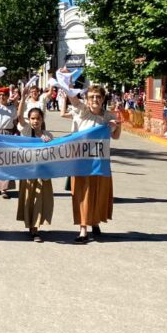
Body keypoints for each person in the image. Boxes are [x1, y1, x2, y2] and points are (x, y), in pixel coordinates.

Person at [62, 84, 121, 242]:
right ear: (87, 99)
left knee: (98, 193)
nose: (95, 99)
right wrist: (67, 84)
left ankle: (95, 222)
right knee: (82, 194)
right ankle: (83, 230)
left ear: (103, 99)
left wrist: (117, 125)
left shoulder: (108, 116)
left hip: (100, 161)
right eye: (91, 96)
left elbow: (116, 136)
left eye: (98, 96)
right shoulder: (82, 111)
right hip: (81, 161)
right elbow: (74, 100)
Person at [16, 107, 54, 242]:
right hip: (28, 173)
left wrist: (48, 143)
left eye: (38, 118)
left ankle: (35, 228)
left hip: (42, 174)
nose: (35, 121)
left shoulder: (48, 135)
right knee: (29, 200)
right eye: (32, 118)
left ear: (42, 120)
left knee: (39, 200)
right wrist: (23, 98)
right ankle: (30, 224)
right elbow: (19, 116)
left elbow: (54, 153)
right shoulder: (26, 132)